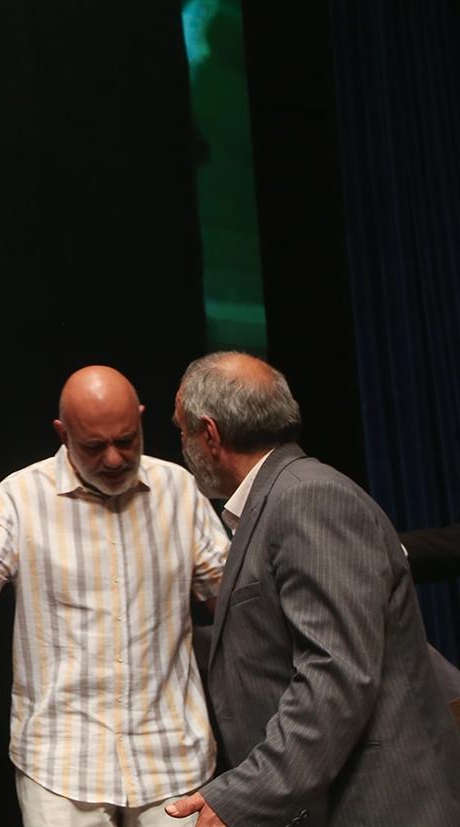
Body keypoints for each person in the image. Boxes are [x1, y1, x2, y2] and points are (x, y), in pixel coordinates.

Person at [0, 365, 228, 827]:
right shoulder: (19, 497)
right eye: (93, 446)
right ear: (62, 433)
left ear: (141, 418)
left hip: (172, 752)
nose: (114, 458)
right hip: (62, 759)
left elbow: (230, 604)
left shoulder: (179, 490)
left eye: (127, 440)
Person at [165, 352, 460, 827]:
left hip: (378, 804)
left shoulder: (308, 498)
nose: (182, 445)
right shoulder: (275, 500)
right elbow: (270, 643)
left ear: (211, 435)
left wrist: (246, 793)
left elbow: (336, 673)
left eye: (182, 431)